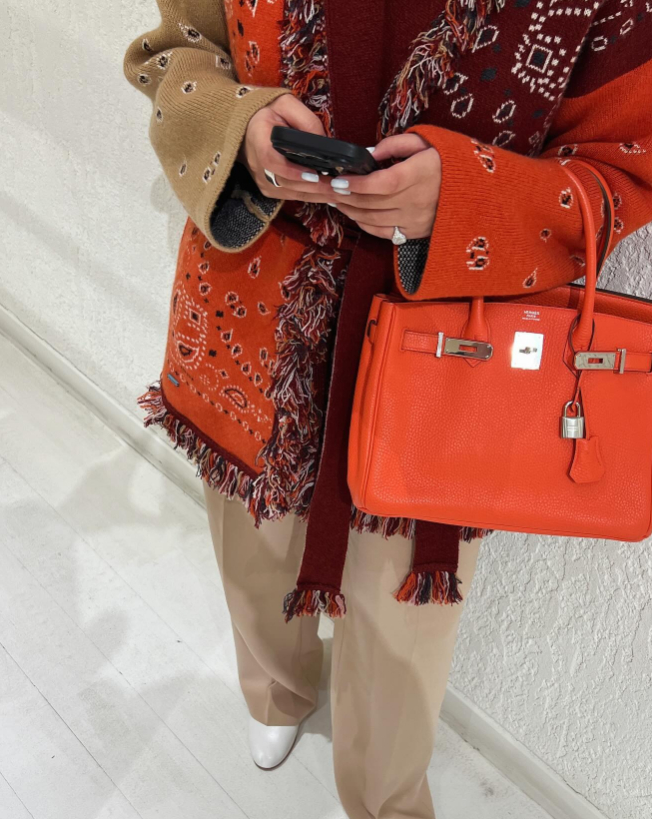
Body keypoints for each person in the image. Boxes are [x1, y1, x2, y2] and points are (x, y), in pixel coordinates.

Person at [123, 1, 652, 816]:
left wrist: (472, 199)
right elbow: (179, 52)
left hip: (451, 342)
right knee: (253, 551)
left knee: (405, 613)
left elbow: (627, 160)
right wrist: (241, 124)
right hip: (257, 310)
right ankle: (279, 693)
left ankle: (384, 797)